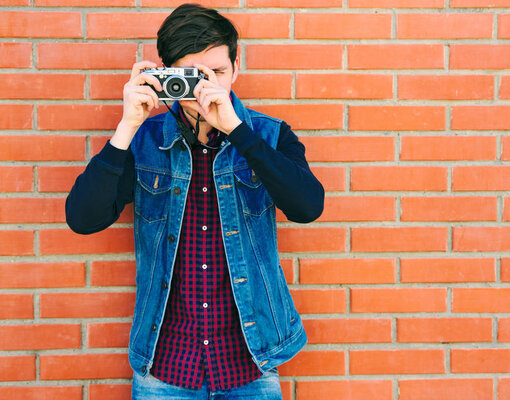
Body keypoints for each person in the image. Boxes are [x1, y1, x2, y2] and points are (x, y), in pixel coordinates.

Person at [65, 4, 324, 399]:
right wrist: (128, 125)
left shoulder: (269, 135)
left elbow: (308, 207)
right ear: (167, 74)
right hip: (165, 363)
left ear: (236, 68)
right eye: (191, 76)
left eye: (217, 73)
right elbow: (83, 219)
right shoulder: (144, 140)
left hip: (249, 359)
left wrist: (236, 130)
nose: (206, 88)